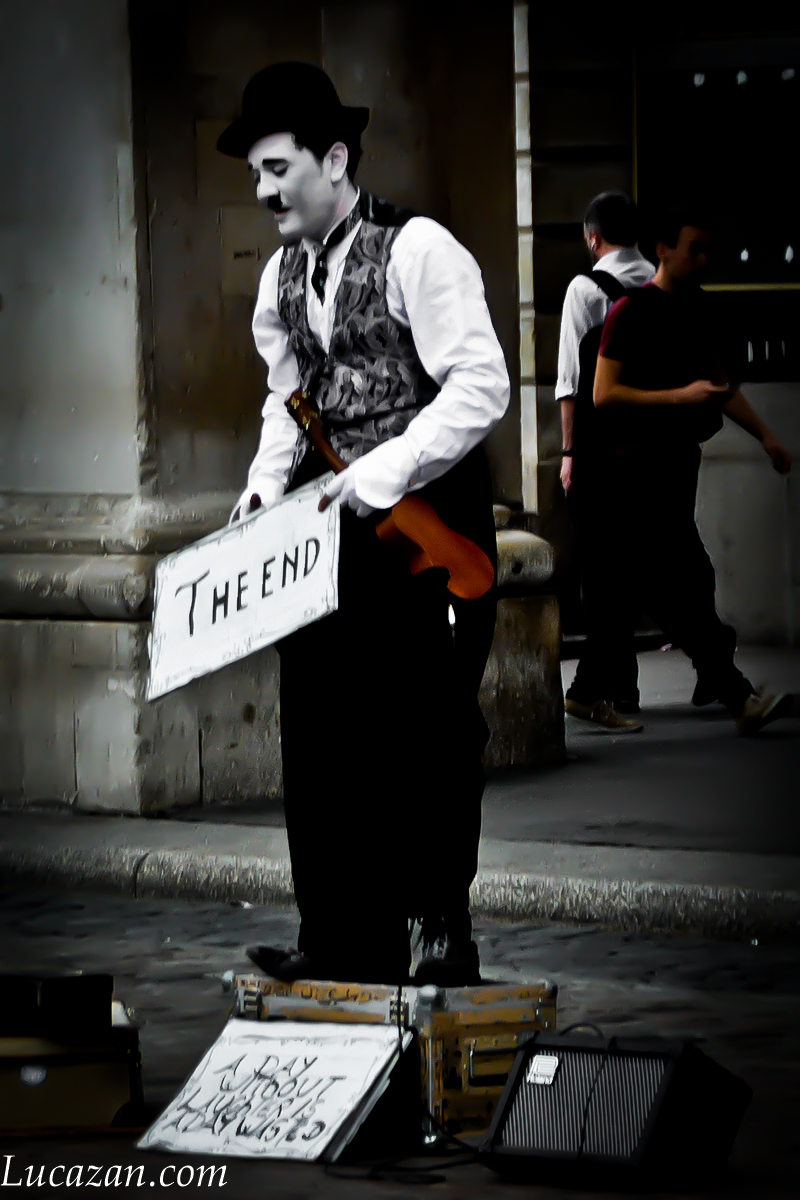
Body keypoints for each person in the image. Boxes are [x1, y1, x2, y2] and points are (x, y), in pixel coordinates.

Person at [217, 62, 510, 985]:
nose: (262, 191)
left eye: (277, 168)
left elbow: (482, 386)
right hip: (326, 531)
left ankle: (438, 930)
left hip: (429, 527)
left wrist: (386, 470)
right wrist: (262, 490)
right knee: (321, 730)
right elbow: (287, 398)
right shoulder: (279, 278)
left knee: (426, 729)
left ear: (335, 158)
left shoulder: (420, 250)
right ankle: (340, 933)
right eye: (256, 174)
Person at [591, 208, 792, 735]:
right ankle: (736, 694)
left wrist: (766, 436)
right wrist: (679, 396)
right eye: (694, 249)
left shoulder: (700, 310)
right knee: (678, 587)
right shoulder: (629, 311)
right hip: (636, 473)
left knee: (638, 586)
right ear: (662, 249)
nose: (704, 260)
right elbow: (603, 394)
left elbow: (721, 386)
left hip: (680, 465)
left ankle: (586, 690)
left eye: (709, 251)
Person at [556, 192, 654, 731]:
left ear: (593, 238)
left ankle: (600, 688)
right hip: (654, 446)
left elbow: (570, 380)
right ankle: (624, 686)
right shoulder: (658, 283)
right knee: (633, 566)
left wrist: (569, 452)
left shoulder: (585, 289)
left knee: (599, 569)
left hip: (599, 448)